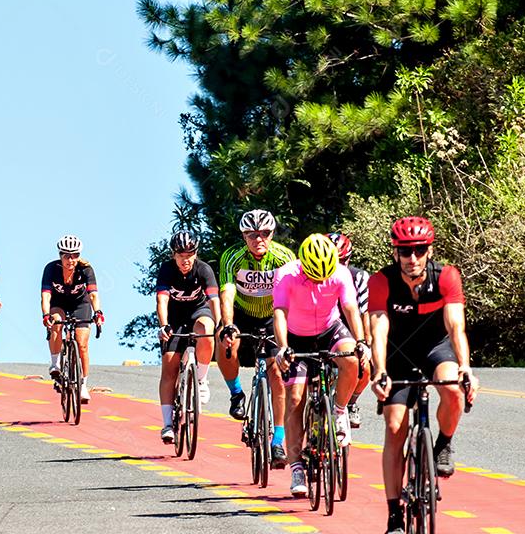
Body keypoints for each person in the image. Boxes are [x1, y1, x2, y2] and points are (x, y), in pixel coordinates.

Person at [369, 216, 478, 534]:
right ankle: (394, 514)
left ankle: (443, 444)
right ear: (396, 253)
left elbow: (455, 325)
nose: (412, 257)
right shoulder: (382, 281)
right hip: (397, 353)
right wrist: (379, 370)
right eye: (405, 251)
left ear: (429, 251)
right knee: (394, 428)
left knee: (452, 388)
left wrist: (465, 367)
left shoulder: (446, 276)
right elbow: (378, 329)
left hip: (435, 348)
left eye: (419, 250)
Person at [273, 234, 370, 497]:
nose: (318, 282)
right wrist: (283, 347)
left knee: (352, 359)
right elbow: (280, 312)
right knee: (295, 398)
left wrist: (361, 341)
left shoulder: (340, 273)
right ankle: (296, 468)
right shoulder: (286, 274)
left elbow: (350, 308)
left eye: (323, 276)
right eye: (313, 276)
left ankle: (339, 411)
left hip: (330, 330)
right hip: (296, 336)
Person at [216, 209, 297, 466]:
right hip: (242, 313)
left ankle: (278, 441)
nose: (258, 239)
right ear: (244, 236)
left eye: (264, 233)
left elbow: (292, 297)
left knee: (277, 375)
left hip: (273, 316)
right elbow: (227, 294)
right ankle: (236, 393)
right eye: (252, 234)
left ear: (272, 234)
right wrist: (228, 325)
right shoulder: (232, 257)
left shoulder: (285, 257)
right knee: (225, 340)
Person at [156, 230, 220, 444]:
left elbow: (214, 300)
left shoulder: (204, 269)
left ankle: (201, 379)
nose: (185, 260)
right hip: (174, 317)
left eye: (190, 254)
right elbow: (162, 300)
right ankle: (167, 424)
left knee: (206, 329)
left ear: (196, 253)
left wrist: (220, 325)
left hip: (198, 312)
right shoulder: (166, 270)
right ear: (173, 255)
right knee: (169, 366)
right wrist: (163, 325)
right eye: (181, 255)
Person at [41, 235, 103, 404]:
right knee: (56, 322)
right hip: (58, 303)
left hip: (80, 304)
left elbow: (93, 294)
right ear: (60, 255)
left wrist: (98, 312)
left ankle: (83, 385)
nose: (71, 260)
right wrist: (45, 315)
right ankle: (55, 364)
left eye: (75, 255)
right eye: (67, 255)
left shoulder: (86, 270)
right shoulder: (51, 269)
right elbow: (45, 296)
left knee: (82, 344)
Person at [328, 231, 371, 429]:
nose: (337, 267)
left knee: (365, 368)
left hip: (350, 327)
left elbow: (364, 313)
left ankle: (351, 402)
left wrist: (366, 344)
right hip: (322, 326)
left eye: (342, 261)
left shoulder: (359, 277)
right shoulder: (312, 276)